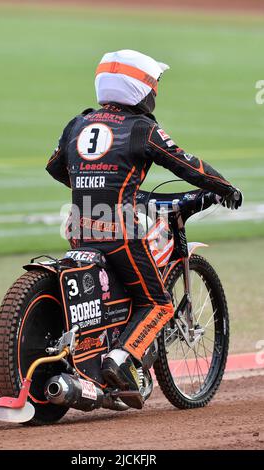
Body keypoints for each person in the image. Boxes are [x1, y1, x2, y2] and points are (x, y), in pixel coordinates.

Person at [46, 50, 242, 407]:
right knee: (157, 303)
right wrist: (224, 188)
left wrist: (98, 186)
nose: (156, 92)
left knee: (116, 293)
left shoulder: (79, 123)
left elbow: (57, 168)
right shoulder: (140, 128)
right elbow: (187, 165)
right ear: (139, 90)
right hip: (119, 231)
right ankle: (120, 360)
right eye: (154, 84)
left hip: (78, 227)